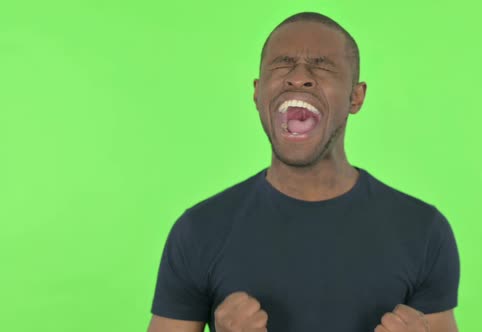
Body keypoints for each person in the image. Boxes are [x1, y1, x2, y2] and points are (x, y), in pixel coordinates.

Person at [147, 11, 460, 332]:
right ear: (257, 92)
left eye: (322, 65)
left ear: (356, 96)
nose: (298, 77)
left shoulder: (422, 230)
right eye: (282, 64)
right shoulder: (199, 231)